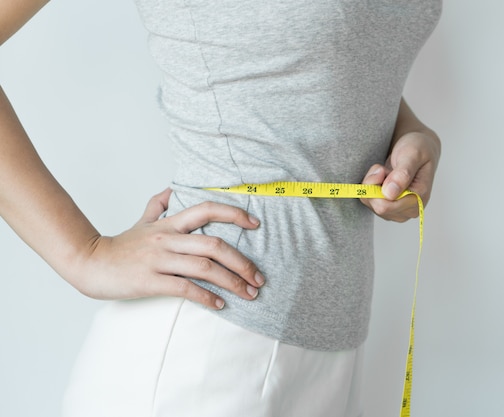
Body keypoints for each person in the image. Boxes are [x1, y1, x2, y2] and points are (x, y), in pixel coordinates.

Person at [0, 0, 442, 416]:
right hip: (208, 343)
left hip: (333, 350)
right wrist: (83, 255)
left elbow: (324, 49)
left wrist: (411, 131)